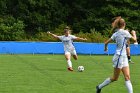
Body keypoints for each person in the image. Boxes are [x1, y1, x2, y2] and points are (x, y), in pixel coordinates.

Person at [96, 17, 137, 93]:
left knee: (127, 77)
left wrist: (105, 48)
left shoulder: (116, 33)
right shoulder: (124, 32)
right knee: (115, 78)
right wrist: (134, 33)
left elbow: (106, 42)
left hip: (123, 57)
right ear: (124, 24)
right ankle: (99, 87)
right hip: (119, 57)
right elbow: (135, 40)